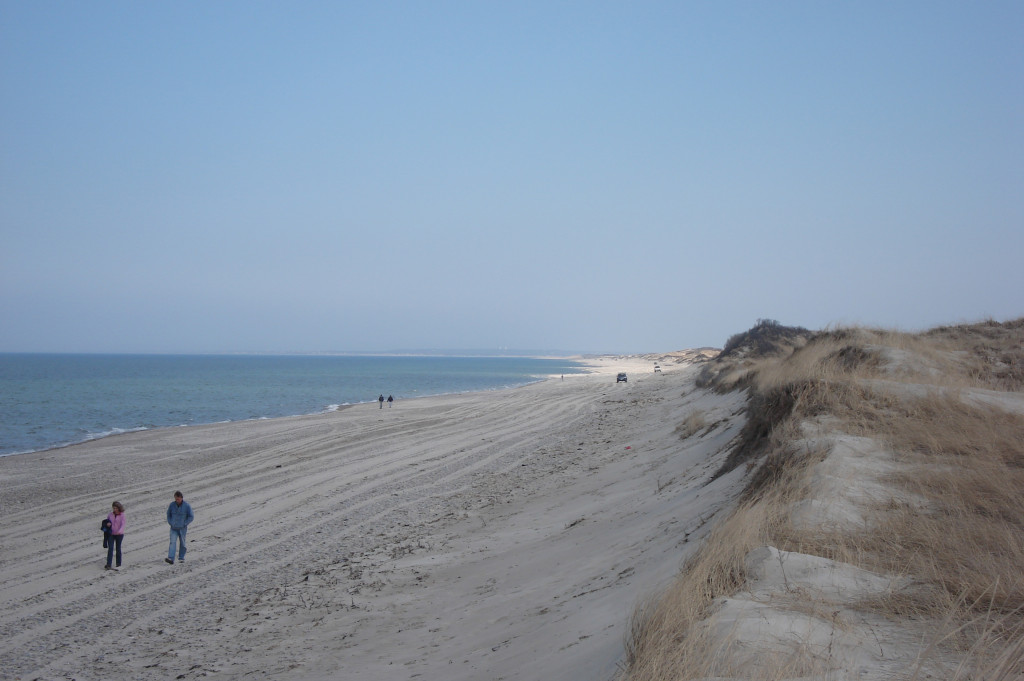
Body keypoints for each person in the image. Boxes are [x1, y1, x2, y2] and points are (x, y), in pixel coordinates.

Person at [166, 491, 194, 565]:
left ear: (181, 498)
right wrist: (170, 522)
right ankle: (171, 558)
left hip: (182, 528)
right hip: (173, 528)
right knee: (172, 542)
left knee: (182, 543)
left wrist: (185, 524)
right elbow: (168, 515)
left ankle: (181, 557)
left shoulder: (187, 506)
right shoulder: (172, 505)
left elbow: (191, 516)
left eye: (178, 499)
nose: (177, 500)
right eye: (176, 499)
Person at [105, 501, 125, 570]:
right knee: (110, 548)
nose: (115, 510)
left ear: (119, 508)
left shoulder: (122, 515)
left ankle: (118, 563)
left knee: (118, 548)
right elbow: (106, 521)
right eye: (114, 508)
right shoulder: (110, 514)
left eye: (116, 508)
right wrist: (107, 524)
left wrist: (119, 531)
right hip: (111, 534)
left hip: (119, 535)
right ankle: (108, 564)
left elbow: (123, 525)